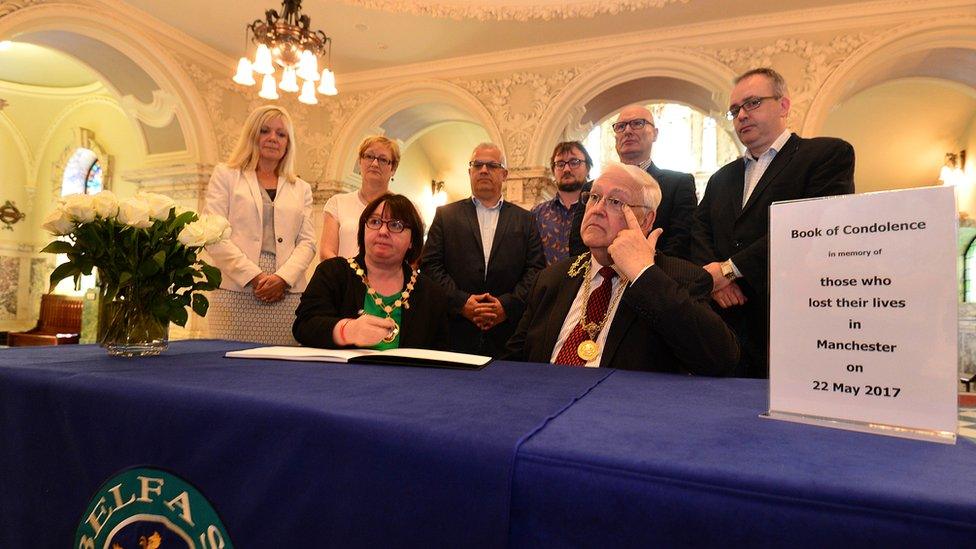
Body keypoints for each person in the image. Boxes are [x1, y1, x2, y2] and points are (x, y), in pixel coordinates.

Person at [690, 67, 855, 378]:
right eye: (735, 109)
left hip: (792, 320)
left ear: (783, 105)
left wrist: (728, 270)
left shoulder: (826, 155)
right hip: (725, 325)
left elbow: (810, 229)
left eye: (752, 103)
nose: (741, 115)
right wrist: (713, 281)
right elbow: (699, 234)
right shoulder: (722, 178)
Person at [507, 162, 738, 375]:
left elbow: (721, 360)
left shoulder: (680, 278)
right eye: (594, 197)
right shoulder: (552, 278)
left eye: (615, 202)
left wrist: (643, 273)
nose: (597, 209)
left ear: (646, 221)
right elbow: (512, 362)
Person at [204, 105, 316, 345]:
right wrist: (255, 277)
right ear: (252, 134)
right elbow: (213, 236)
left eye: (281, 134)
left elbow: (307, 242)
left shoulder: (301, 187)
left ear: (288, 143)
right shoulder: (226, 175)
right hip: (236, 289)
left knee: (279, 373)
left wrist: (282, 279)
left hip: (286, 292)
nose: (273, 138)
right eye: (265, 131)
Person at [420, 143, 545, 357]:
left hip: (507, 337)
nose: (484, 170)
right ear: (470, 172)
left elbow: (535, 270)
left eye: (492, 165)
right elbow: (430, 265)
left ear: (504, 174)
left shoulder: (525, 219)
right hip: (455, 334)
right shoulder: (446, 216)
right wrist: (462, 302)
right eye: (478, 165)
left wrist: (506, 306)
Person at [294, 194, 449, 350]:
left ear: (412, 241)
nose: (382, 231)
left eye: (395, 225)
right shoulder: (333, 272)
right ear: (363, 231)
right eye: (375, 222)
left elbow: (440, 353)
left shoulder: (431, 293)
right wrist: (347, 331)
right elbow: (304, 326)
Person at [614, 104, 697, 259]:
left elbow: (681, 240)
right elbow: (580, 241)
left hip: (658, 276)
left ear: (655, 134)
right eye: (620, 126)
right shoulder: (592, 188)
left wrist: (646, 272)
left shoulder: (679, 184)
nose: (627, 131)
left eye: (637, 123)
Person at [319, 136, 400, 260]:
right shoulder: (337, 203)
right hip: (343, 277)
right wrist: (350, 275)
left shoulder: (405, 209)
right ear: (360, 161)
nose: (374, 163)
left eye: (382, 159)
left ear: (393, 168)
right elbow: (326, 252)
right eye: (369, 156)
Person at [532, 141, 592, 266]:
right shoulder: (537, 213)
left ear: (588, 168)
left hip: (587, 283)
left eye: (574, 162)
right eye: (560, 164)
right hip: (546, 283)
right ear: (553, 171)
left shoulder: (597, 209)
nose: (566, 169)